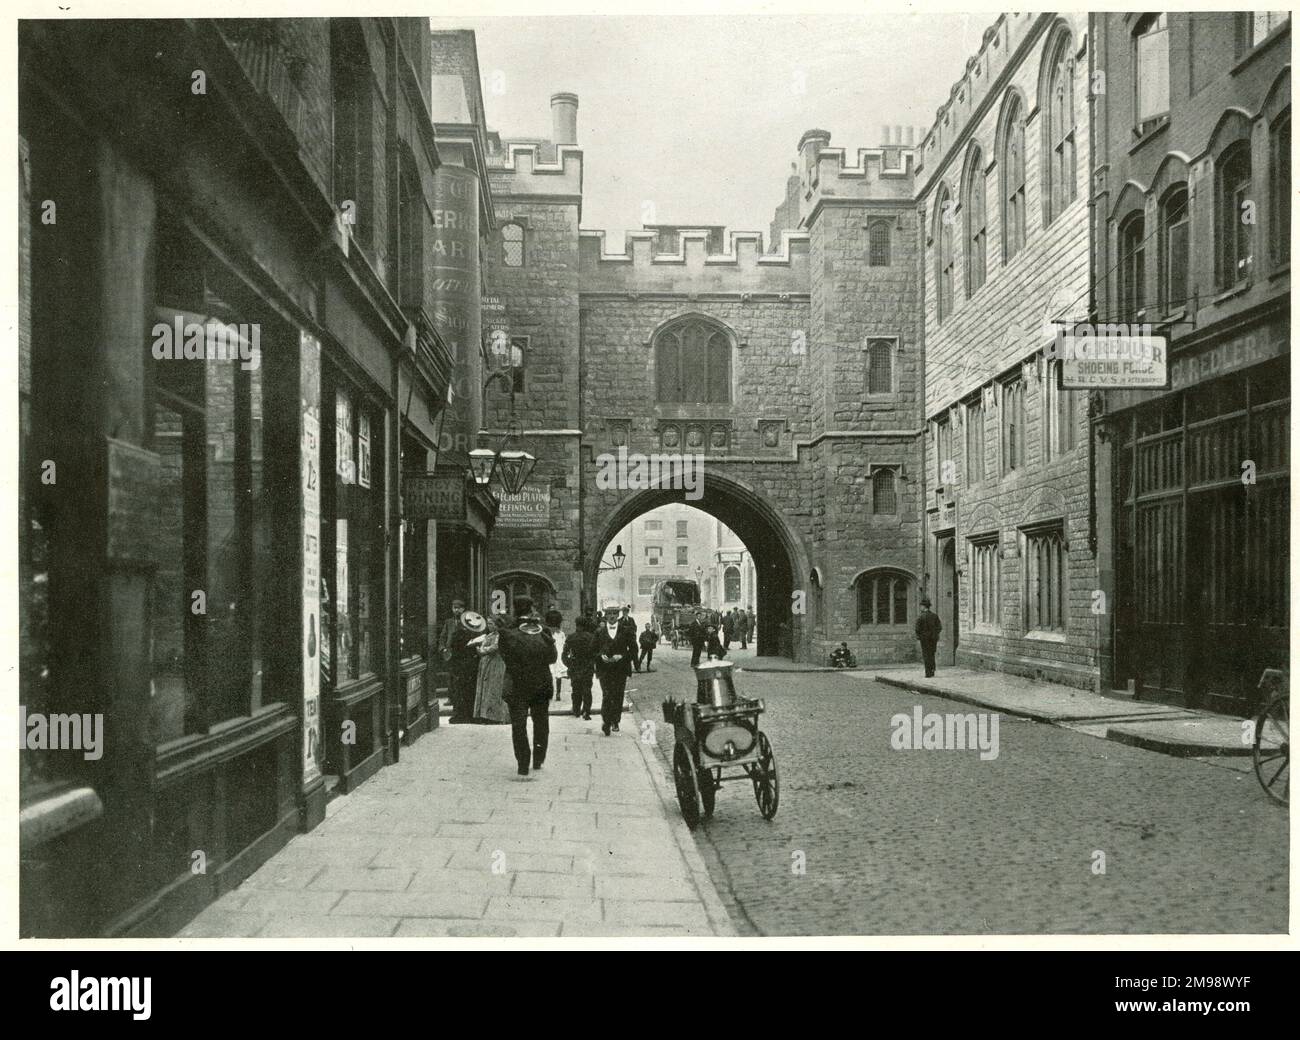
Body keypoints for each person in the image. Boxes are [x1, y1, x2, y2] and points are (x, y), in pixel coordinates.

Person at [497, 597, 557, 776]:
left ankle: (523, 763)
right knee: (541, 723)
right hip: (540, 685)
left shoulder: (508, 632)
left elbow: (505, 657)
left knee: (518, 725)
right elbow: (552, 658)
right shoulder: (543, 631)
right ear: (531, 609)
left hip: (517, 685)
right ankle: (538, 759)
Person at [594, 601, 637, 735]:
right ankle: (606, 721)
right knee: (607, 694)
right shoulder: (599, 631)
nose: (612, 616)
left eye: (614, 613)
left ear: (618, 615)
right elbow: (592, 649)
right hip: (604, 669)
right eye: (609, 613)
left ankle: (616, 721)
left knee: (618, 695)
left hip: (620, 669)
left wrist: (622, 657)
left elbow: (634, 649)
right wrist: (600, 656)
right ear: (605, 615)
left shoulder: (626, 630)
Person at [441, 599, 480, 723]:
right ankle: (452, 700)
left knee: (463, 685)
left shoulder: (470, 621)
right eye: (454, 607)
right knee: (452, 681)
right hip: (451, 655)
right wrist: (443, 649)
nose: (456, 610)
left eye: (458, 607)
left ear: (463, 609)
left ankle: (462, 712)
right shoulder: (448, 622)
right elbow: (443, 636)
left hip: (464, 657)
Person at [470, 615, 511, 724]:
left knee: (494, 688)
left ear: (497, 625)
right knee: (486, 688)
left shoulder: (499, 635)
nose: (489, 626)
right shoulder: (490, 635)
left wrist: (482, 650)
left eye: (491, 624)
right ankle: (486, 715)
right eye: (488, 624)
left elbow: (495, 647)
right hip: (486, 663)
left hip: (495, 663)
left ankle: (496, 716)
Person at [563, 615, 598, 719]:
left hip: (575, 667)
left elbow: (564, 655)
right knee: (587, 690)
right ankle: (586, 712)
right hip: (587, 667)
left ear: (576, 624)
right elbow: (595, 653)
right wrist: (592, 663)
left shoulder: (570, 637)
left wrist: (569, 664)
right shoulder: (591, 637)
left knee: (576, 690)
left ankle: (576, 710)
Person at [915, 596, 942, 678]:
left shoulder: (920, 617)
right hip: (933, 638)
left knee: (926, 655)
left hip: (924, 639)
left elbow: (917, 629)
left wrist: (919, 636)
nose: (920, 608)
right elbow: (939, 627)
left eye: (921, 606)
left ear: (924, 607)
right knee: (932, 654)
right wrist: (935, 634)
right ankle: (933, 670)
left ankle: (928, 672)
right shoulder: (934, 616)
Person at [545, 609, 567, 702]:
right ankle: (558, 693)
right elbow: (564, 643)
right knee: (558, 675)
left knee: (550, 674)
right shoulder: (561, 633)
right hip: (558, 654)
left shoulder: (546, 632)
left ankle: (550, 692)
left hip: (551, 654)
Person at [618, 605, 640, 671]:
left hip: (631, 639)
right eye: (623, 612)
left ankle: (637, 667)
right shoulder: (619, 620)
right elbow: (619, 629)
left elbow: (635, 628)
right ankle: (624, 668)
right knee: (623, 653)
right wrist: (628, 628)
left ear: (628, 612)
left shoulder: (631, 619)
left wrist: (626, 628)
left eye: (626, 612)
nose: (624, 613)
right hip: (623, 640)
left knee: (635, 653)